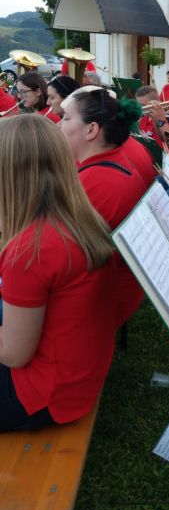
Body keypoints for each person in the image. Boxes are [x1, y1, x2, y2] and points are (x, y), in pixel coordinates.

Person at [0, 114, 117, 432]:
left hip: (43, 395)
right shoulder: (76, 217)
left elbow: (13, 354)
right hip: (76, 374)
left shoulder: (30, 251)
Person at [60, 87, 148, 327]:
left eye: (66, 118)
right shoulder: (108, 163)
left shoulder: (96, 183)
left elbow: (60, 257)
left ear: (91, 130)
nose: (59, 125)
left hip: (95, 304)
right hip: (110, 290)